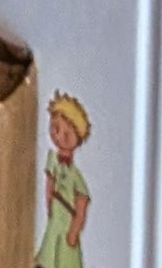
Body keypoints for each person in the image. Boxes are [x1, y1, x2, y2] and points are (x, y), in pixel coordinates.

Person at [34, 92, 92, 268]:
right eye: (55, 129)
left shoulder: (76, 176)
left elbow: (82, 204)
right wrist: (50, 204)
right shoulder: (53, 160)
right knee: (48, 254)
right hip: (55, 221)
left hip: (67, 224)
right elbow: (49, 184)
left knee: (65, 258)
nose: (58, 136)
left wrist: (74, 232)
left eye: (67, 134)